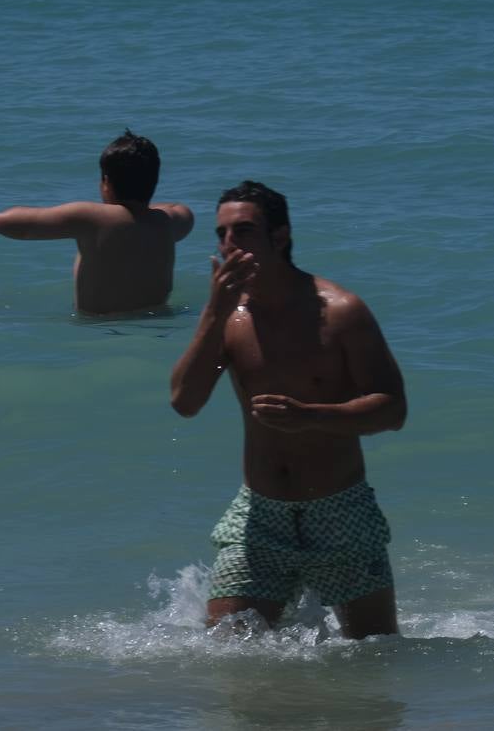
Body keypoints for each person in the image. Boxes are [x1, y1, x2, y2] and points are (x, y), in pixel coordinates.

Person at [169, 180, 408, 639]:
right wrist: (213, 314)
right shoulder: (229, 318)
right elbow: (185, 402)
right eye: (221, 234)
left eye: (243, 231)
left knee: (374, 654)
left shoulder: (341, 312)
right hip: (261, 515)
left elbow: (392, 409)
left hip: (340, 510)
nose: (229, 244)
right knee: (226, 653)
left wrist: (312, 416)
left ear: (280, 237)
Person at [0, 130, 194, 315]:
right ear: (154, 181)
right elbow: (179, 208)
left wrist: (84, 216)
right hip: (157, 323)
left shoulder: (91, 218)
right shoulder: (170, 221)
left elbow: (2, 222)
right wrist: (140, 208)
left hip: (100, 328)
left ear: (106, 183)